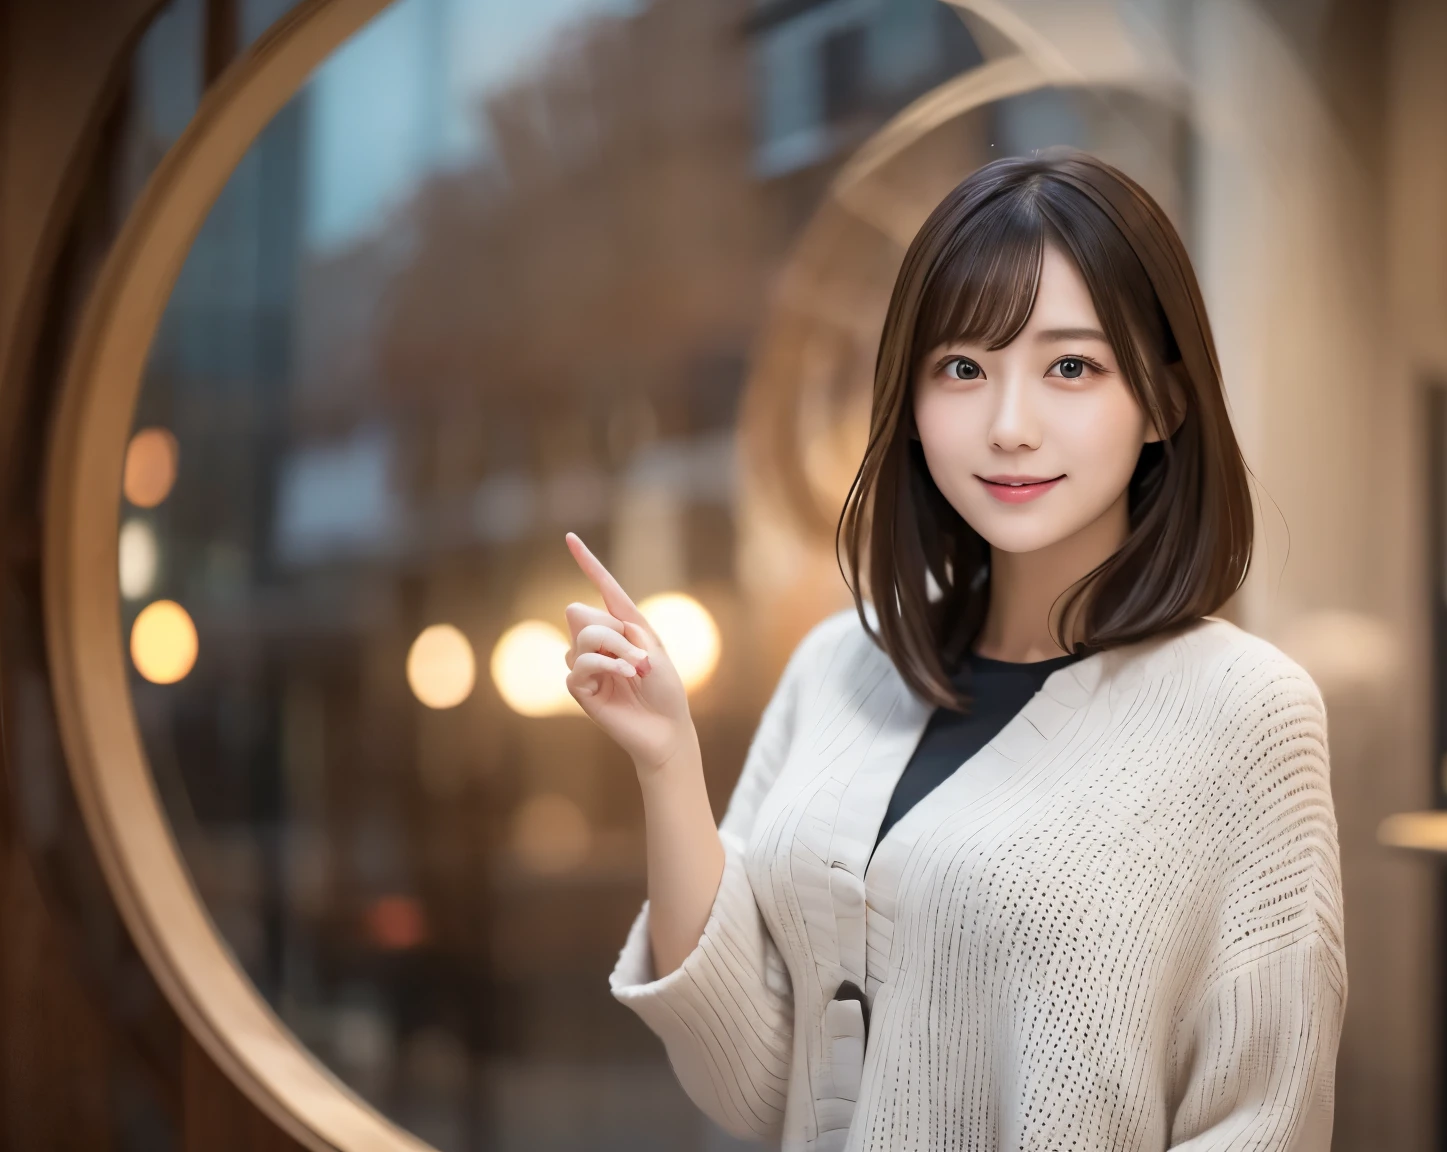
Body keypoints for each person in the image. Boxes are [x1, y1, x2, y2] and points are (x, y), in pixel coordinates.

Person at [561, 149, 1345, 1151]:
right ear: (913, 401)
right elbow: (753, 1081)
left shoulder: (1246, 711)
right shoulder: (838, 664)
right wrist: (668, 762)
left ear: (1164, 401)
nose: (1009, 427)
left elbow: (1264, 1120)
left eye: (1072, 367)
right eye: (964, 369)